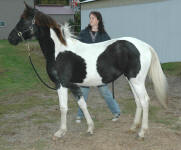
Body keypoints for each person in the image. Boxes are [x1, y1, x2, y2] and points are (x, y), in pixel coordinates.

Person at [76, 11, 121, 123]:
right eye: (90, 18)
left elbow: (110, 50)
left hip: (99, 71)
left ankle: (116, 112)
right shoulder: (83, 33)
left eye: (92, 18)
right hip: (85, 69)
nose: (90, 20)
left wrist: (112, 65)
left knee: (105, 91)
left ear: (98, 20)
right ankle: (80, 115)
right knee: (82, 93)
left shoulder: (104, 35)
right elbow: (77, 48)